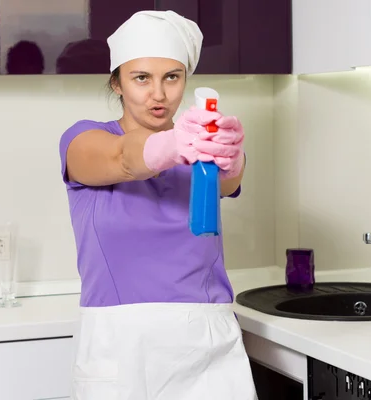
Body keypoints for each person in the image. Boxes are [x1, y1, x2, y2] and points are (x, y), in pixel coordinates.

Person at [58, 10, 256, 400]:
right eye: (141, 78)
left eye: (172, 77)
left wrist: (231, 157)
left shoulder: (204, 149)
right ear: (117, 82)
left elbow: (230, 178)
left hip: (208, 346)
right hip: (121, 347)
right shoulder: (83, 140)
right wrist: (174, 144)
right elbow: (123, 158)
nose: (159, 95)